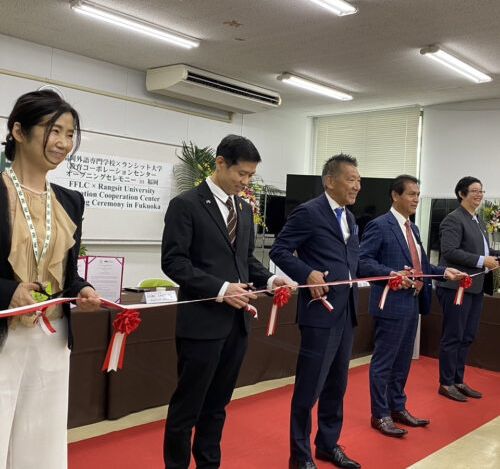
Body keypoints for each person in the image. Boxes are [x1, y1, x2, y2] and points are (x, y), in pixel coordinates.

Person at [162, 135, 288, 469]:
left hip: (237, 326)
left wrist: (272, 280)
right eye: (242, 174)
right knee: (187, 408)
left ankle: (208, 464)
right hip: (201, 323)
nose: (246, 182)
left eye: (251, 176)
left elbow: (246, 261)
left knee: (217, 406)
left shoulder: (244, 209)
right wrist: (221, 289)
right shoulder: (186, 205)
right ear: (220, 163)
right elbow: (174, 262)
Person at [0, 90, 101, 469]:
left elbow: (66, 272)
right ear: (19, 132)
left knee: (42, 435)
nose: (62, 142)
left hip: (51, 337)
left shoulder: (70, 200)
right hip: (4, 336)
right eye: (53, 129)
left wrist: (82, 290)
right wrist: (9, 291)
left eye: (70, 133)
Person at [270, 154, 361, 469]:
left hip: (346, 313)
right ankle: (300, 456)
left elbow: (353, 263)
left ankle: (327, 445)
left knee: (337, 386)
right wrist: (306, 274)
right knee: (309, 388)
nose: (357, 186)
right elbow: (279, 249)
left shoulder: (350, 218)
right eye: (351, 179)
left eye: (359, 181)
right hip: (319, 315)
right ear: (331, 180)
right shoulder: (308, 213)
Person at [359, 175, 464, 438]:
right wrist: (391, 273)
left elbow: (422, 268)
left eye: (418, 194)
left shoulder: (413, 228)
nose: (416, 199)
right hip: (390, 303)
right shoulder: (379, 226)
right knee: (384, 362)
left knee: (403, 362)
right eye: (411, 194)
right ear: (395, 196)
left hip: (413, 303)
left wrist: (444, 272)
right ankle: (380, 414)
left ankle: (398, 408)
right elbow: (362, 262)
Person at [435, 176, 500, 401]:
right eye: (474, 191)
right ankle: (445, 382)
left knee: (467, 335)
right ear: (461, 194)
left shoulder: (477, 220)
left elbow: (483, 250)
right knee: (453, 335)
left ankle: (458, 380)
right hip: (456, 287)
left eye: (481, 191)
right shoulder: (453, 219)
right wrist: (483, 261)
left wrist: (493, 256)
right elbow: (450, 251)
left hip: (475, 287)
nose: (479, 195)